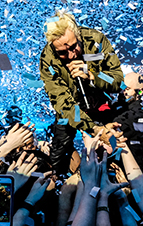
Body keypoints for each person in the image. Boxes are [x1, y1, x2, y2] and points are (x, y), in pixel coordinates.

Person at [39, 11, 124, 174]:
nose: (71, 55)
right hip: (72, 109)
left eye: (74, 47)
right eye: (62, 53)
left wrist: (93, 76)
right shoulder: (48, 59)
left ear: (78, 35)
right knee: (58, 151)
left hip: (100, 103)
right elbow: (63, 102)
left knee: (115, 147)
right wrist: (94, 129)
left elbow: (118, 81)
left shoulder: (96, 41)